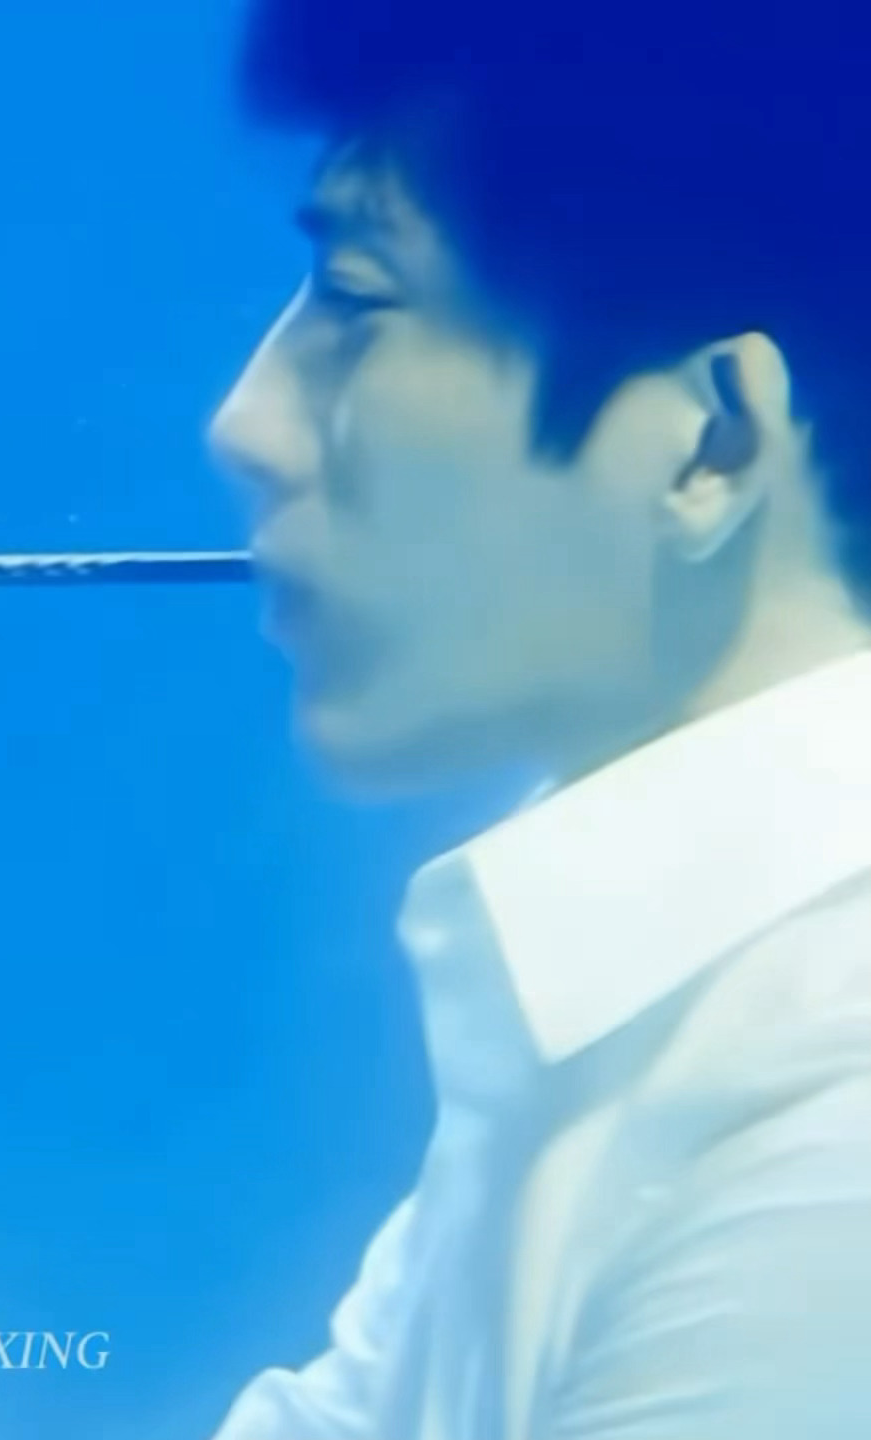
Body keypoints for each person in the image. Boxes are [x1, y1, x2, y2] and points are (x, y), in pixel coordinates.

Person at [203, 0, 871, 1436]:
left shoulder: (836, 1097)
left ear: (713, 443)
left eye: (356, 303)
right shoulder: (624, 985)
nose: (245, 423)